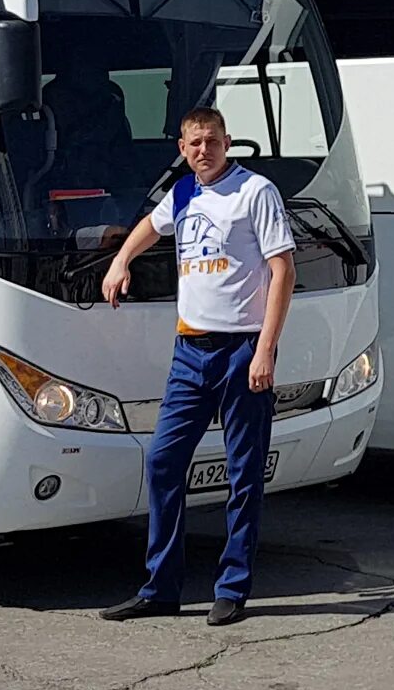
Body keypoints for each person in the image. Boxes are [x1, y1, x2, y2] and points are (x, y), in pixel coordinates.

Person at [95, 105, 295, 626]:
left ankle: (232, 587)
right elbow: (149, 227)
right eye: (193, 144)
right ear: (181, 149)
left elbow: (283, 272)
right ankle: (161, 587)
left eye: (211, 141)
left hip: (242, 351)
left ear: (227, 142)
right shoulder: (183, 192)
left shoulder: (256, 192)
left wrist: (266, 348)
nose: (202, 151)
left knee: (242, 472)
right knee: (163, 461)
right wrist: (122, 261)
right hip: (191, 351)